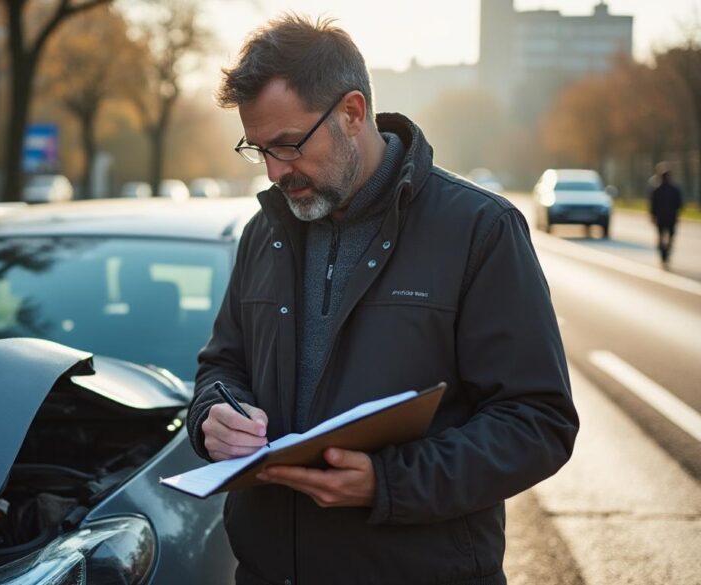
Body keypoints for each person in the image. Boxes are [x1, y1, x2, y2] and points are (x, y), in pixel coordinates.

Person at [186, 15, 579, 585]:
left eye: (289, 144)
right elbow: (222, 365)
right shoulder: (262, 232)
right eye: (259, 149)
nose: (274, 172)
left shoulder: (479, 229)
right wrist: (212, 416)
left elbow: (538, 422)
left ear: (352, 112)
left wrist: (389, 483)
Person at [649, 165, 683, 269]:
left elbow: (652, 205)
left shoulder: (657, 190)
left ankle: (664, 253)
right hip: (670, 217)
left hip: (663, 218)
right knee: (668, 237)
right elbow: (679, 204)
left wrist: (653, 215)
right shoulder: (674, 189)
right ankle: (665, 252)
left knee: (662, 237)